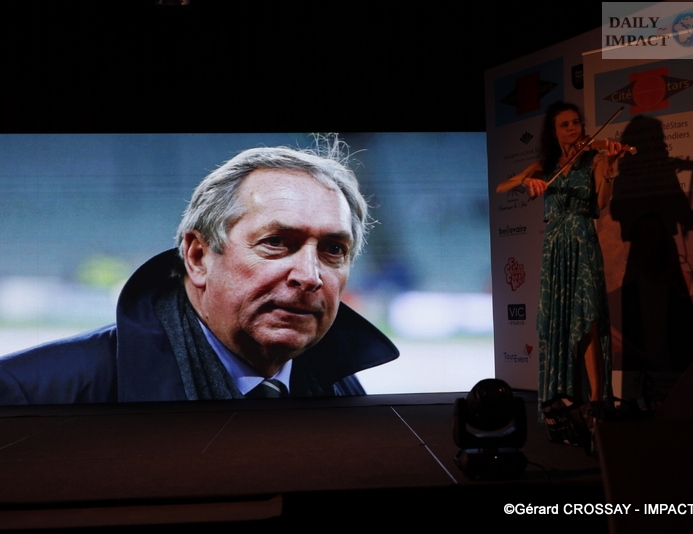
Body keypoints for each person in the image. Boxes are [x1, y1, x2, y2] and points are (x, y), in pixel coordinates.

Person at [0, 139, 399, 404]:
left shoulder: (342, 389)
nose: (309, 275)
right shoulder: (34, 391)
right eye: (276, 242)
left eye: (333, 250)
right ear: (197, 257)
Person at [496, 101, 625, 417]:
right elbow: (502, 186)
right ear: (553, 132)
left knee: (589, 316)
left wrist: (610, 169)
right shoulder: (545, 165)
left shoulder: (594, 159)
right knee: (560, 320)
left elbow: (602, 202)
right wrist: (527, 180)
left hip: (582, 238)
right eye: (564, 124)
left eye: (575, 122)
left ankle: (597, 400)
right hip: (555, 245)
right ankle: (563, 395)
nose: (572, 129)